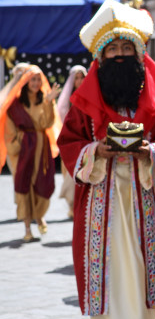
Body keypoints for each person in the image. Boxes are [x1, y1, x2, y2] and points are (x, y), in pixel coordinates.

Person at [56, 0, 155, 319]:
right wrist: (97, 150)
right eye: (112, 49)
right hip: (102, 199)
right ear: (100, 55)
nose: (120, 55)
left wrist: (152, 150)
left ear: (139, 53)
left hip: (146, 196)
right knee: (107, 269)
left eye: (127, 48)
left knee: (145, 268)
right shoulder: (83, 103)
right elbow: (69, 144)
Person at [0, 66, 61, 242]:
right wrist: (17, 148)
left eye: (38, 79)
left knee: (44, 184)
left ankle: (39, 214)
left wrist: (49, 103)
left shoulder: (45, 100)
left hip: (41, 149)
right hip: (23, 151)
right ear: (26, 82)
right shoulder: (16, 104)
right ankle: (27, 227)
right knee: (23, 186)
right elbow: (9, 131)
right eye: (32, 79)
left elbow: (48, 123)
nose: (35, 83)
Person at [55, 64, 87, 217]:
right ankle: (71, 204)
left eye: (82, 77)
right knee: (68, 172)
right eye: (77, 78)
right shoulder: (68, 100)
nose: (79, 81)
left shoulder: (89, 96)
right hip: (70, 141)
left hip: (85, 141)